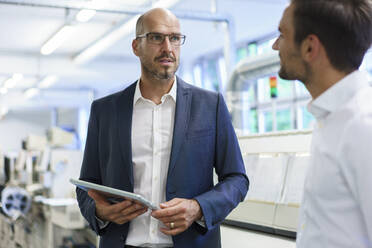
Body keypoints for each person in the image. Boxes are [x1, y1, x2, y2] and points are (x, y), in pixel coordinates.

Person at [76, 7, 249, 248]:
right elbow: (87, 185)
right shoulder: (105, 111)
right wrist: (100, 212)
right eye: (156, 38)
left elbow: (237, 179)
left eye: (175, 38)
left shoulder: (210, 106)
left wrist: (198, 208)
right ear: (136, 46)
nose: (168, 48)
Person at [272, 0, 372, 247]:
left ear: (309, 48)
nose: (275, 46)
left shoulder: (363, 125)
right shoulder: (330, 116)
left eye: (282, 35)